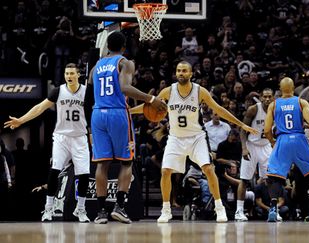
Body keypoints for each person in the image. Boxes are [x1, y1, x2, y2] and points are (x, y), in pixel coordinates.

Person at [130, 61, 258, 223]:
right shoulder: (168, 91)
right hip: (175, 138)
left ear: (191, 74)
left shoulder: (199, 91)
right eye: (178, 71)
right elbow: (148, 107)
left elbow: (218, 109)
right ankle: (166, 210)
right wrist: (129, 111)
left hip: (196, 137)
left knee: (208, 169)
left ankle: (219, 208)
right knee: (166, 171)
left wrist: (241, 124)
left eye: (184, 71)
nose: (181, 73)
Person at [88, 31, 167, 224]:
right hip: (117, 113)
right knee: (126, 162)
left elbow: (89, 92)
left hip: (97, 113)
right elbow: (125, 88)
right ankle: (119, 207)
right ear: (124, 47)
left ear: (107, 46)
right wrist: (151, 99)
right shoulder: (125, 62)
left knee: (102, 164)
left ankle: (100, 213)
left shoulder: (96, 66)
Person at [4, 63, 91, 223]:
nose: (69, 76)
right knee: (54, 171)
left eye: (72, 73)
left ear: (78, 75)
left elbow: (96, 111)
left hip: (80, 137)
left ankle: (80, 209)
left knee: (84, 174)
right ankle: (49, 208)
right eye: (66, 73)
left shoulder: (87, 92)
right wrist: (21, 120)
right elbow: (39, 108)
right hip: (61, 138)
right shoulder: (58, 91)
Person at [263, 77, 309, 222]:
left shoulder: (273, 105)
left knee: (275, 177)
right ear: (293, 88)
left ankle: (273, 208)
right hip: (299, 139)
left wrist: (272, 141)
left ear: (280, 90)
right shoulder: (301, 102)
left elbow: (267, 129)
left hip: (283, 140)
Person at [235, 88, 274, 221]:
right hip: (251, 145)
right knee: (245, 180)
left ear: (273, 98)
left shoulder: (275, 110)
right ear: (261, 98)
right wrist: (244, 148)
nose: (267, 99)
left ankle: (274, 211)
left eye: (270, 97)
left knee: (270, 180)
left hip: (266, 146)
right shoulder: (253, 109)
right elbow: (242, 131)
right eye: (265, 97)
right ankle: (239, 211)